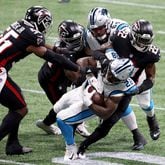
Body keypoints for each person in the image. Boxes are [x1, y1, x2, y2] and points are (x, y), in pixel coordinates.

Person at [0, 6, 86, 155]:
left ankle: (12, 144)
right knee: (20, 109)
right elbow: (51, 57)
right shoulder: (33, 37)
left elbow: (32, 43)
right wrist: (77, 68)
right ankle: (11, 144)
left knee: (16, 102)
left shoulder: (20, 24)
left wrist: (56, 48)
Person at [78, 19, 160, 155]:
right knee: (111, 117)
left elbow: (151, 78)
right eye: (141, 40)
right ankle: (84, 142)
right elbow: (98, 51)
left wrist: (139, 89)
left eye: (147, 41)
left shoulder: (150, 54)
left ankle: (152, 120)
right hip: (114, 77)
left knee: (145, 104)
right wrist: (104, 60)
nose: (144, 45)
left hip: (137, 79)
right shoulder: (121, 38)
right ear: (133, 35)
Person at [83, 7, 147, 150]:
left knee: (119, 105)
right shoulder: (89, 34)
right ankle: (137, 135)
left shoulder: (121, 29)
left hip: (127, 69)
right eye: (95, 29)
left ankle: (138, 134)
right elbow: (90, 51)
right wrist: (101, 59)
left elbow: (129, 53)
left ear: (108, 23)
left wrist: (104, 56)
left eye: (100, 28)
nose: (97, 32)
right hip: (108, 69)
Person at [54, 57, 135, 161]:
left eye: (114, 77)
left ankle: (71, 148)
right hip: (83, 89)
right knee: (57, 107)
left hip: (94, 104)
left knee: (62, 118)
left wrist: (89, 103)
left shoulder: (119, 90)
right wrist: (88, 73)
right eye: (110, 72)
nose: (109, 76)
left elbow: (105, 114)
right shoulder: (107, 63)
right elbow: (83, 61)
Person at [36, 20, 92, 137]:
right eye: (74, 41)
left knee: (75, 97)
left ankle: (46, 123)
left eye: (80, 38)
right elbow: (73, 76)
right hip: (51, 81)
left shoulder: (79, 42)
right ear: (66, 41)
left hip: (63, 77)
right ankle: (49, 124)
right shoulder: (65, 52)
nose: (79, 42)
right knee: (62, 106)